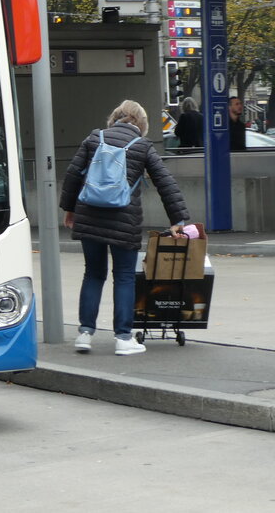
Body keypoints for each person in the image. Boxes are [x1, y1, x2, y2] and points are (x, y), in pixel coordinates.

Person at [60, 100, 190, 357]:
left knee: (93, 274)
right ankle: (123, 338)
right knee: (124, 276)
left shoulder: (94, 139)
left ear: (115, 118)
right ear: (141, 123)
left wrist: (69, 210)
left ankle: (85, 334)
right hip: (124, 220)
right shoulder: (142, 146)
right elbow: (165, 182)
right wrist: (178, 219)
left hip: (89, 216)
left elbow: (73, 174)